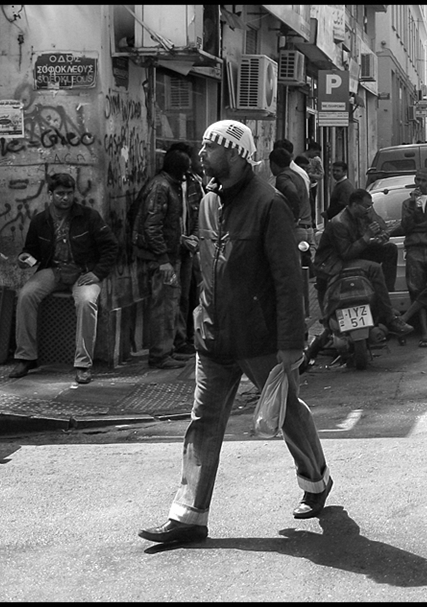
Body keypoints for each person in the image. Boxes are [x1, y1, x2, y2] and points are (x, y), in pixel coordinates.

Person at [139, 120, 332, 545]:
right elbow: (210, 267)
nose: (202, 153)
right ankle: (189, 515)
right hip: (213, 334)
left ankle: (316, 480)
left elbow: (287, 280)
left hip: (260, 337)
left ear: (235, 154)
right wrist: (200, 316)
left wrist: (290, 344)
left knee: (287, 413)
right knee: (202, 422)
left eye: (210, 147)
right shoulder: (207, 201)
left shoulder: (271, 205)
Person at [8, 173, 119, 384]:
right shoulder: (41, 220)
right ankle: (26, 357)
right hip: (53, 270)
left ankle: (83, 364)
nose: (65, 198)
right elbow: (31, 250)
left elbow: (111, 246)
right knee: (25, 295)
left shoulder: (89, 216)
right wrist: (25, 259)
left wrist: (96, 273)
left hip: (83, 271)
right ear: (50, 194)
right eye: (60, 194)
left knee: (86, 302)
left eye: (69, 193)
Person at [311, 189, 414, 336]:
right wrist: (367, 237)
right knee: (374, 268)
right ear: (354, 204)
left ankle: (385, 299)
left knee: (389, 249)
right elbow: (346, 253)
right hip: (335, 262)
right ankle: (390, 318)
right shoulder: (339, 222)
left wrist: (379, 237)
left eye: (370, 206)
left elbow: (377, 229)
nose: (368, 210)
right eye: (366, 206)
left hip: (352, 254)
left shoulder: (360, 216)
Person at [132, 147, 190, 370]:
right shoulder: (161, 187)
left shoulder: (165, 185)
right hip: (163, 260)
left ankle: (167, 349)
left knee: (170, 303)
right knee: (164, 305)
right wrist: (163, 257)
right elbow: (151, 225)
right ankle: (160, 354)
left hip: (169, 256)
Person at [393, 169, 427, 347]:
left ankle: (405, 317)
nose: (419, 183)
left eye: (423, 180)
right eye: (417, 179)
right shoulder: (407, 203)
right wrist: (412, 204)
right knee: (416, 290)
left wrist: (417, 227)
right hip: (415, 249)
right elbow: (406, 225)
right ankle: (425, 333)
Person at [169, 142, 205, 359]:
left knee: (190, 293)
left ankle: (189, 335)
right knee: (177, 297)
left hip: (191, 248)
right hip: (174, 251)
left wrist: (194, 238)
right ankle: (178, 340)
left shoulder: (193, 184)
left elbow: (196, 211)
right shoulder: (165, 186)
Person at [269, 147, 313, 263]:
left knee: (290, 266)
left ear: (273, 163)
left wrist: (294, 217)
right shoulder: (297, 175)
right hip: (306, 227)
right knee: (302, 268)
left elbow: (292, 193)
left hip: (297, 229)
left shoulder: (283, 177)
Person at [305, 141, 324, 219]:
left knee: (312, 204)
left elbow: (321, 174)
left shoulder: (316, 160)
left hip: (312, 184)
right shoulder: (302, 157)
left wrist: (311, 175)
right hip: (305, 184)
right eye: (315, 153)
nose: (316, 155)